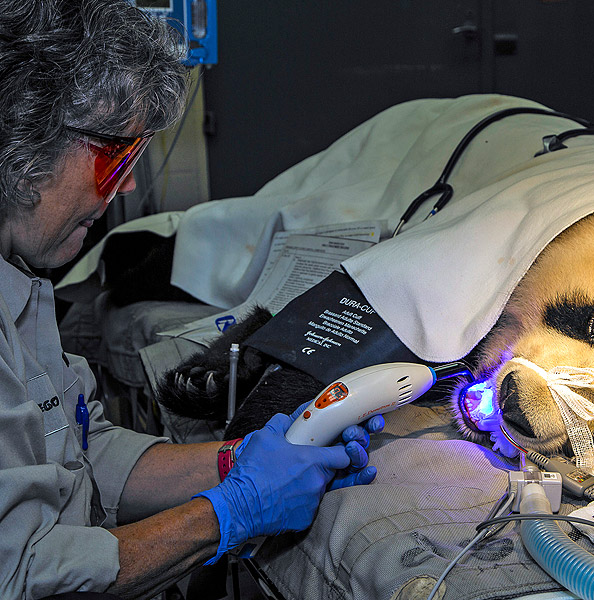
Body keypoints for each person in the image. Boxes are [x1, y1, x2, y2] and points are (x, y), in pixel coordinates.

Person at [0, 1, 384, 598]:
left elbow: (82, 450)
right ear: (25, 138)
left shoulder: (19, 278)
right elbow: (20, 576)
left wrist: (243, 460)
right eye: (115, 156)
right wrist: (233, 510)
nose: (128, 184)